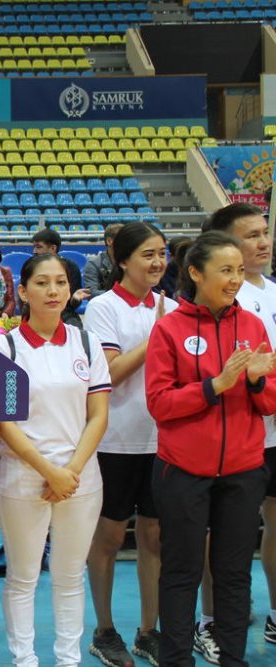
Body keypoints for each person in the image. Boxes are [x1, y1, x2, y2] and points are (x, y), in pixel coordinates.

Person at [146, 230, 276, 666]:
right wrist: (214, 386)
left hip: (243, 470)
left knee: (234, 575)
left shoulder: (252, 326)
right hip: (183, 471)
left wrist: (255, 381)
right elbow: (160, 403)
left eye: (239, 270)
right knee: (181, 573)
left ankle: (233, 660)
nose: (236, 279)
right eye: (225, 270)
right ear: (196, 273)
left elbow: (270, 399)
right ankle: (177, 659)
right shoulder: (169, 329)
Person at [0, 253, 110, 667]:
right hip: (23, 478)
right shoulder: (4, 347)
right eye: (42, 283)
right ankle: (24, 659)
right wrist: (48, 471)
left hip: (81, 479)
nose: (53, 291)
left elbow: (98, 415)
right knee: (23, 577)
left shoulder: (87, 343)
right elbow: (3, 422)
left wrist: (69, 471)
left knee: (70, 577)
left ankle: (68, 659)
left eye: (60, 282)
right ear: (23, 292)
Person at [83, 223, 177, 667]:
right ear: (122, 260)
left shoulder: (172, 307)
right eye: (147, 254)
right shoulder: (102, 308)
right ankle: (104, 630)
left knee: (154, 536)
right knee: (109, 536)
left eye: (162, 253)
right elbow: (111, 373)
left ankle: (148, 630)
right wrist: (157, 336)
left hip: (163, 441)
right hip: (115, 441)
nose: (158, 262)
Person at [196, 202, 276, 658]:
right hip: (234, 437)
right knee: (218, 532)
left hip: (272, 429)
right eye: (252, 235)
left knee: (271, 525)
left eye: (265, 232)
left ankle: (272, 613)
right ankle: (211, 619)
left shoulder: (272, 292)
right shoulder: (222, 298)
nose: (263, 242)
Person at [31, 228, 90, 328]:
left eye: (39, 247)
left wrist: (75, 300)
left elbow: (72, 305)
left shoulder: (71, 267)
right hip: (38, 313)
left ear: (53, 248)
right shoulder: (31, 268)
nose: (34, 251)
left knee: (77, 331)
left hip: (65, 313)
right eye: (34, 247)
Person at [84, 223, 125, 299]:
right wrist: (120, 294)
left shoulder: (132, 263)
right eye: (124, 239)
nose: (129, 244)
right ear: (109, 241)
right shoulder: (93, 263)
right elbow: (91, 293)